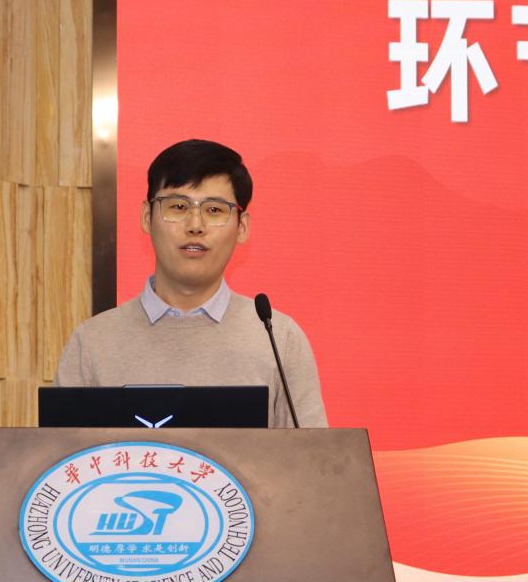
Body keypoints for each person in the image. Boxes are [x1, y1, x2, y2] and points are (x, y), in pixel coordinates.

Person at [55, 139, 327, 428]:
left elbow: (313, 455)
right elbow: (59, 453)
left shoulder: (279, 340)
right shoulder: (92, 343)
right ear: (147, 217)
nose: (195, 225)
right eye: (178, 206)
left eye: (214, 210)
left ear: (242, 226)